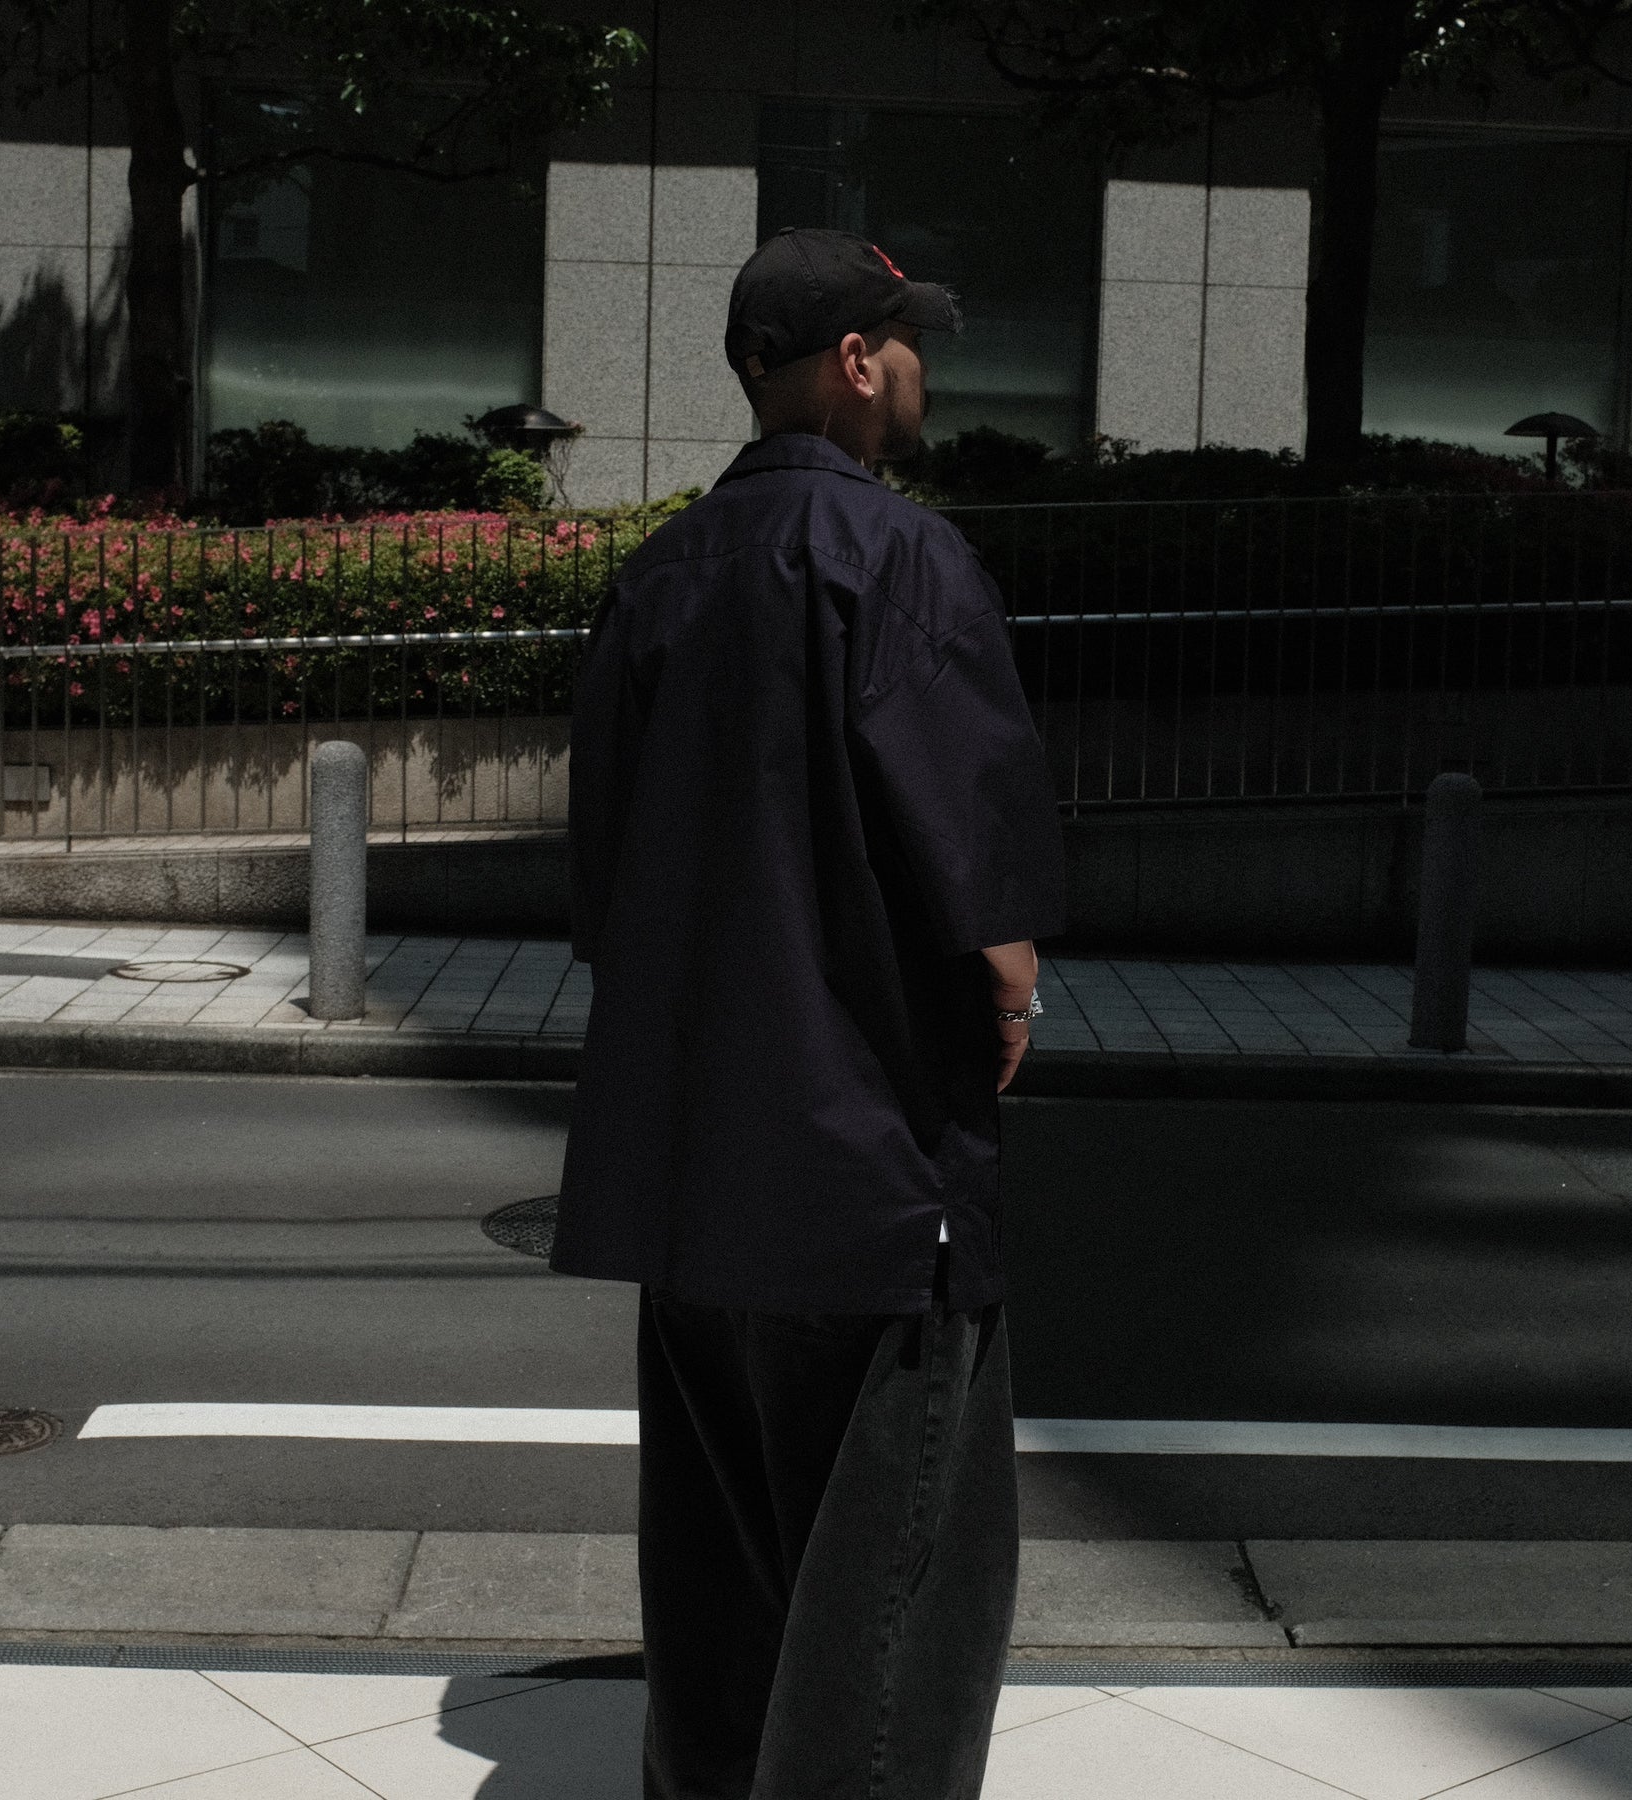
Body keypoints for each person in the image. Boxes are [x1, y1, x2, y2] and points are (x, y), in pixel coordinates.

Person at [552, 225, 1067, 1800]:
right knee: (896, 1597)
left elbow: (604, 882)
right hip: (869, 1177)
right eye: (910, 342)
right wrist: (1009, 982)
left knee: (723, 1587)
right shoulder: (902, 559)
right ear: (856, 362)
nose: (923, 371)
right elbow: (977, 874)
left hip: (696, 1171)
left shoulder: (663, 574)